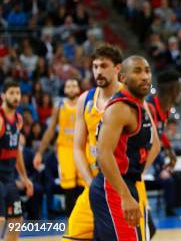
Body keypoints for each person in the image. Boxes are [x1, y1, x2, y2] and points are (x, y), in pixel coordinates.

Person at [90, 56, 160, 240]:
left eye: (147, 70)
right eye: (137, 71)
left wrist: (139, 173)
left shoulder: (140, 106)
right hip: (113, 186)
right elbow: (103, 154)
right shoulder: (120, 108)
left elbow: (155, 145)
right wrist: (125, 195)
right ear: (122, 78)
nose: (145, 76)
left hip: (126, 183)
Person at [63, 44, 126, 240]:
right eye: (95, 66)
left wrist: (134, 179)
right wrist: (91, 184)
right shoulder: (85, 99)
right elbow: (78, 147)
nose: (98, 71)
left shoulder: (131, 98)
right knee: (73, 235)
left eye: (103, 66)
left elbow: (153, 145)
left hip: (123, 184)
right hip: (97, 183)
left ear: (117, 68)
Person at [34, 78, 84, 216]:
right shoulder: (59, 105)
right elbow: (50, 130)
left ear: (79, 89)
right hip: (65, 149)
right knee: (69, 188)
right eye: (69, 85)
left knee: (83, 186)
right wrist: (39, 152)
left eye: (74, 85)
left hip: (82, 148)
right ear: (65, 89)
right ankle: (71, 223)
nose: (72, 88)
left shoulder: (85, 103)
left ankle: (84, 221)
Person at [146, 69, 181, 219]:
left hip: (148, 159)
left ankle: (171, 208)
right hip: (135, 164)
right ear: (173, 90)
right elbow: (149, 143)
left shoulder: (165, 109)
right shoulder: (149, 107)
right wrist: (158, 167)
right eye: (180, 89)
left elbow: (159, 133)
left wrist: (170, 150)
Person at [0, 79, 34, 241]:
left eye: (18, 93)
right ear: (3, 95)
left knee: (16, 220)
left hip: (9, 178)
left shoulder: (18, 119)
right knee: (0, 221)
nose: (15, 97)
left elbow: (17, 152)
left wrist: (25, 178)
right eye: (11, 93)